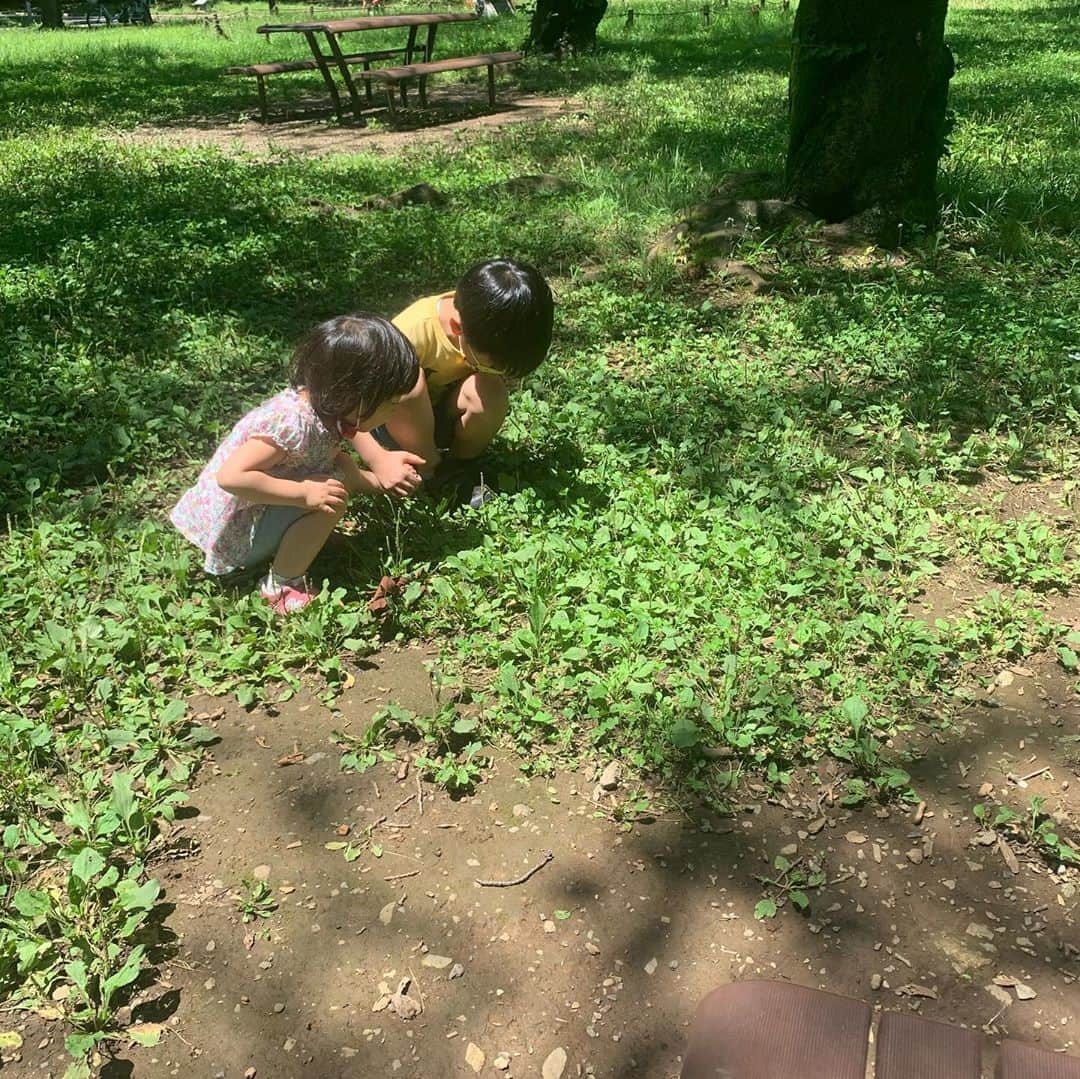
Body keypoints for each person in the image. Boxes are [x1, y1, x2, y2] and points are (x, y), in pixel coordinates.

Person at [170, 314, 420, 614]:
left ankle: (300, 536)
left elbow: (339, 459)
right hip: (236, 534)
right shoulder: (293, 423)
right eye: (391, 401)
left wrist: (381, 478)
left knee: (333, 476)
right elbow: (232, 477)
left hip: (256, 512)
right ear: (356, 397)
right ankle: (282, 585)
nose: (395, 409)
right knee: (332, 497)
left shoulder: (328, 409)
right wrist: (303, 494)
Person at [352, 258, 554, 507]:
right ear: (458, 328)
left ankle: (457, 469)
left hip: (436, 416)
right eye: (492, 365)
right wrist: (377, 459)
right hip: (388, 421)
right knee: (407, 383)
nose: (498, 371)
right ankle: (428, 470)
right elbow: (349, 406)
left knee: (491, 392)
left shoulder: (488, 321)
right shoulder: (407, 335)